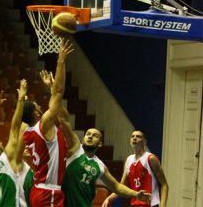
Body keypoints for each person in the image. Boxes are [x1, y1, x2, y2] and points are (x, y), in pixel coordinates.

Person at [39, 70, 151, 207]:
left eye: (95, 135)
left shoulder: (100, 166)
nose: (90, 136)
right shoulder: (75, 148)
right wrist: (53, 90)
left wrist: (136, 194)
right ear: (83, 139)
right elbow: (63, 118)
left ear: (100, 144)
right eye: (88, 134)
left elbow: (116, 186)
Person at [17, 39, 74, 207]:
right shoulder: (44, 125)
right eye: (37, 106)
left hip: (41, 190)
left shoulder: (27, 131)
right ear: (35, 114)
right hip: (47, 192)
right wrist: (61, 61)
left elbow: (61, 113)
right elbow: (59, 92)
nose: (40, 106)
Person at [103, 129, 168, 207]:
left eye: (138, 136)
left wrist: (163, 204)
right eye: (132, 136)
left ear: (144, 142)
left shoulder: (150, 158)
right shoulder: (129, 160)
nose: (134, 138)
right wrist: (109, 198)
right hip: (135, 204)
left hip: (150, 204)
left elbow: (164, 184)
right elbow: (121, 187)